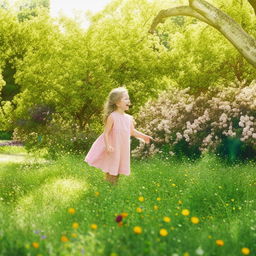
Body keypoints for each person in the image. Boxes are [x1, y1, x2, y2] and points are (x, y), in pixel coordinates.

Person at [84, 87, 153, 185]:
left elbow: (132, 131)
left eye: (128, 99)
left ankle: (111, 186)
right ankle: (109, 186)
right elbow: (106, 133)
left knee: (117, 169)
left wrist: (144, 136)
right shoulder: (112, 116)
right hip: (113, 147)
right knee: (112, 169)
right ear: (117, 103)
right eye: (126, 99)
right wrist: (108, 145)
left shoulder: (129, 118)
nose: (128, 101)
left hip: (122, 148)